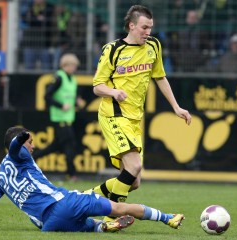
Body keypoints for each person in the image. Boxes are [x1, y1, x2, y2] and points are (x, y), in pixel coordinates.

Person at [86, 5, 192, 221]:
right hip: (113, 114)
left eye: (150, 28)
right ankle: (109, 220)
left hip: (135, 119)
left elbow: (160, 77)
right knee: (134, 165)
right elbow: (97, 86)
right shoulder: (113, 50)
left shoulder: (153, 46)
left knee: (133, 182)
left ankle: (84, 198)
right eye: (144, 27)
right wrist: (114, 92)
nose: (148, 32)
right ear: (131, 26)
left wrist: (176, 107)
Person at [0, 126, 185, 232]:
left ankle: (101, 227)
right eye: (30, 142)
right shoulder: (20, 154)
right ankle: (168, 218)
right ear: (20, 144)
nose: (33, 146)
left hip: (48, 224)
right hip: (64, 203)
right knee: (120, 208)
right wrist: (20, 139)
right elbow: (14, 150)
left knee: (86, 223)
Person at [33, 53, 84, 181]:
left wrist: (78, 101)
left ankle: (33, 157)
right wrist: (61, 105)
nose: (74, 68)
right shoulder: (59, 78)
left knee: (56, 146)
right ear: (65, 65)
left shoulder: (72, 79)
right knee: (70, 144)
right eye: (72, 65)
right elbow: (47, 96)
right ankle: (71, 174)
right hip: (60, 118)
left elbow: (72, 96)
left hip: (68, 118)